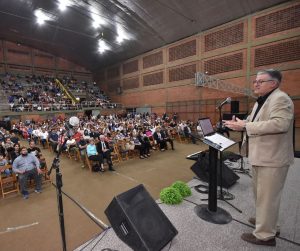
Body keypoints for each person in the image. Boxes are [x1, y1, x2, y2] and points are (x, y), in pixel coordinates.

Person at [224, 69, 294, 247]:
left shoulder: (281, 99)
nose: (255, 84)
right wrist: (239, 124)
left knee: (267, 197)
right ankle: (269, 224)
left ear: (273, 83)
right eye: (255, 81)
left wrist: (246, 126)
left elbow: (281, 124)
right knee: (262, 196)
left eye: (260, 81)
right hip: (261, 156)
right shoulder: (260, 102)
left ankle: (265, 236)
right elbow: (252, 122)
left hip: (272, 158)